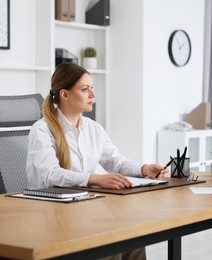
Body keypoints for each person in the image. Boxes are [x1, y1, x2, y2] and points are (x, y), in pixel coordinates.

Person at [26, 62, 168, 260]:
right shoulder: (41, 130)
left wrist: (144, 169)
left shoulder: (93, 129)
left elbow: (116, 162)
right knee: (110, 249)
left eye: (92, 88)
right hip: (52, 214)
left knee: (134, 239)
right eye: (85, 89)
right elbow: (49, 175)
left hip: (85, 209)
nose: (93, 95)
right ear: (64, 94)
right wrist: (94, 178)